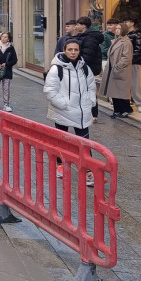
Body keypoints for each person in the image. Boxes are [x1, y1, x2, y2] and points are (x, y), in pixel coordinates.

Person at [43, 39, 96, 186]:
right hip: (63, 111)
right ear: (65, 50)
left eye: (76, 50)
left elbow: (91, 86)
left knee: (84, 142)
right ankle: (60, 164)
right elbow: (49, 90)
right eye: (70, 49)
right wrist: (63, 104)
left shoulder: (84, 67)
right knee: (62, 140)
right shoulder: (57, 68)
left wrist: (90, 101)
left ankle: (88, 171)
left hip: (81, 111)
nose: (73, 52)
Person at [100, 22, 133, 118]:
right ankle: (117, 110)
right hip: (112, 70)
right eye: (117, 28)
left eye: (119, 28)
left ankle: (123, 110)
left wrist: (117, 66)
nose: (117, 30)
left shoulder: (126, 42)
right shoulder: (116, 40)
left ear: (124, 30)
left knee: (120, 92)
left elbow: (126, 58)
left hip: (120, 70)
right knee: (114, 92)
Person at [125, 18, 141, 113]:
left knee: (135, 84)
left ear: (132, 23)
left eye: (126, 22)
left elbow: (139, 50)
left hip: (134, 62)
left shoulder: (138, 35)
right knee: (125, 84)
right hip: (125, 62)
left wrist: (131, 60)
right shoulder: (126, 35)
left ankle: (140, 104)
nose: (125, 23)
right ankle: (127, 102)